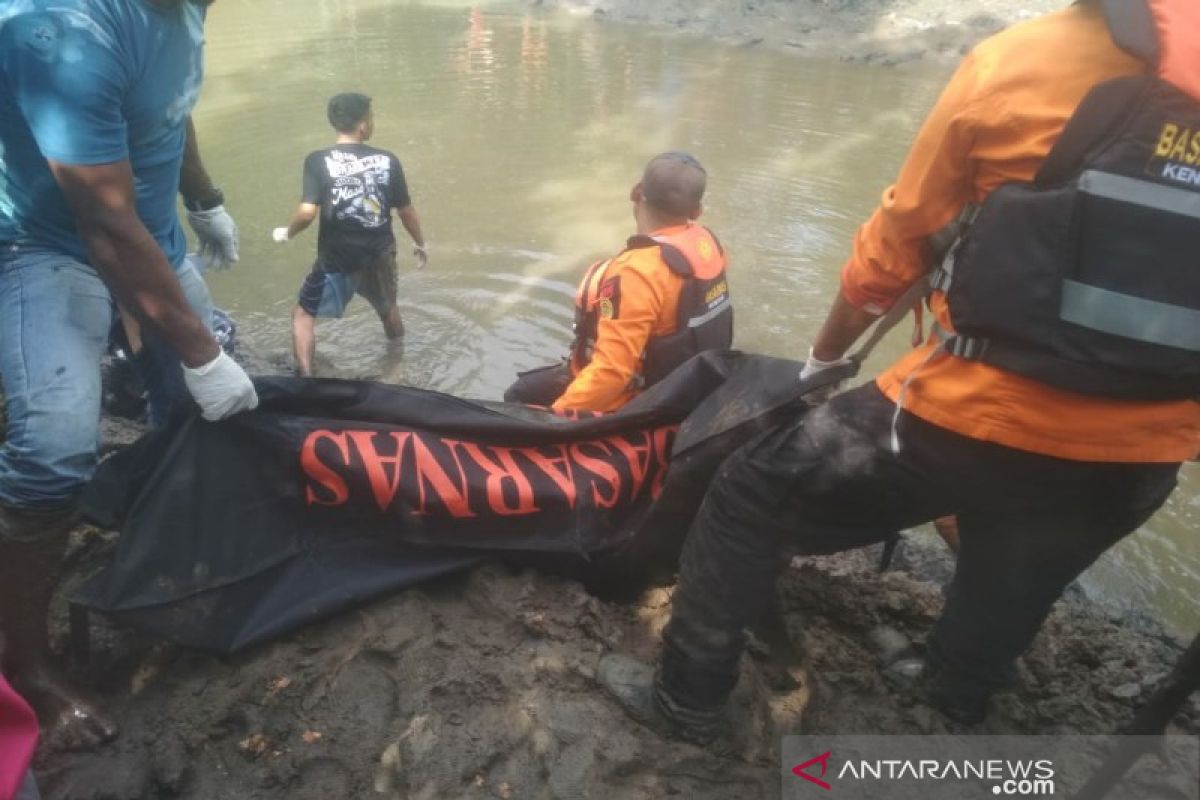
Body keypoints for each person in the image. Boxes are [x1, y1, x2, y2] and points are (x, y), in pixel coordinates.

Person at [598, 0, 1200, 741]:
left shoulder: (1024, 61)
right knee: (1023, 554)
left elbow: (892, 253)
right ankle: (956, 689)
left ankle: (687, 701)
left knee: (749, 491)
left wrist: (821, 363)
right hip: (1145, 455)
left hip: (974, 412)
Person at [0, 0, 259, 750]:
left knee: (194, 411)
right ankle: (26, 665)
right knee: (54, 449)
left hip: (149, 230)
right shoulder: (60, 32)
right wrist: (204, 352)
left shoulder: (187, 5)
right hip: (45, 246)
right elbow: (104, 227)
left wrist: (203, 197)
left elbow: (169, 104)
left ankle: (165, 560)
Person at [504, 151, 732, 413]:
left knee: (519, 394)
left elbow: (613, 373)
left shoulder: (635, 273)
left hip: (640, 399)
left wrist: (552, 420)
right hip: (687, 384)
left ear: (636, 193)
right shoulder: (709, 244)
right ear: (697, 211)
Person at [272, 93, 427, 378]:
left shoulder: (317, 161)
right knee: (388, 310)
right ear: (363, 126)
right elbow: (406, 211)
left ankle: (307, 380)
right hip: (379, 251)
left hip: (337, 257)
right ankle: (397, 365)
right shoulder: (387, 160)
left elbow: (306, 214)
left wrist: (287, 233)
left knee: (302, 316)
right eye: (371, 117)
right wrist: (420, 243)